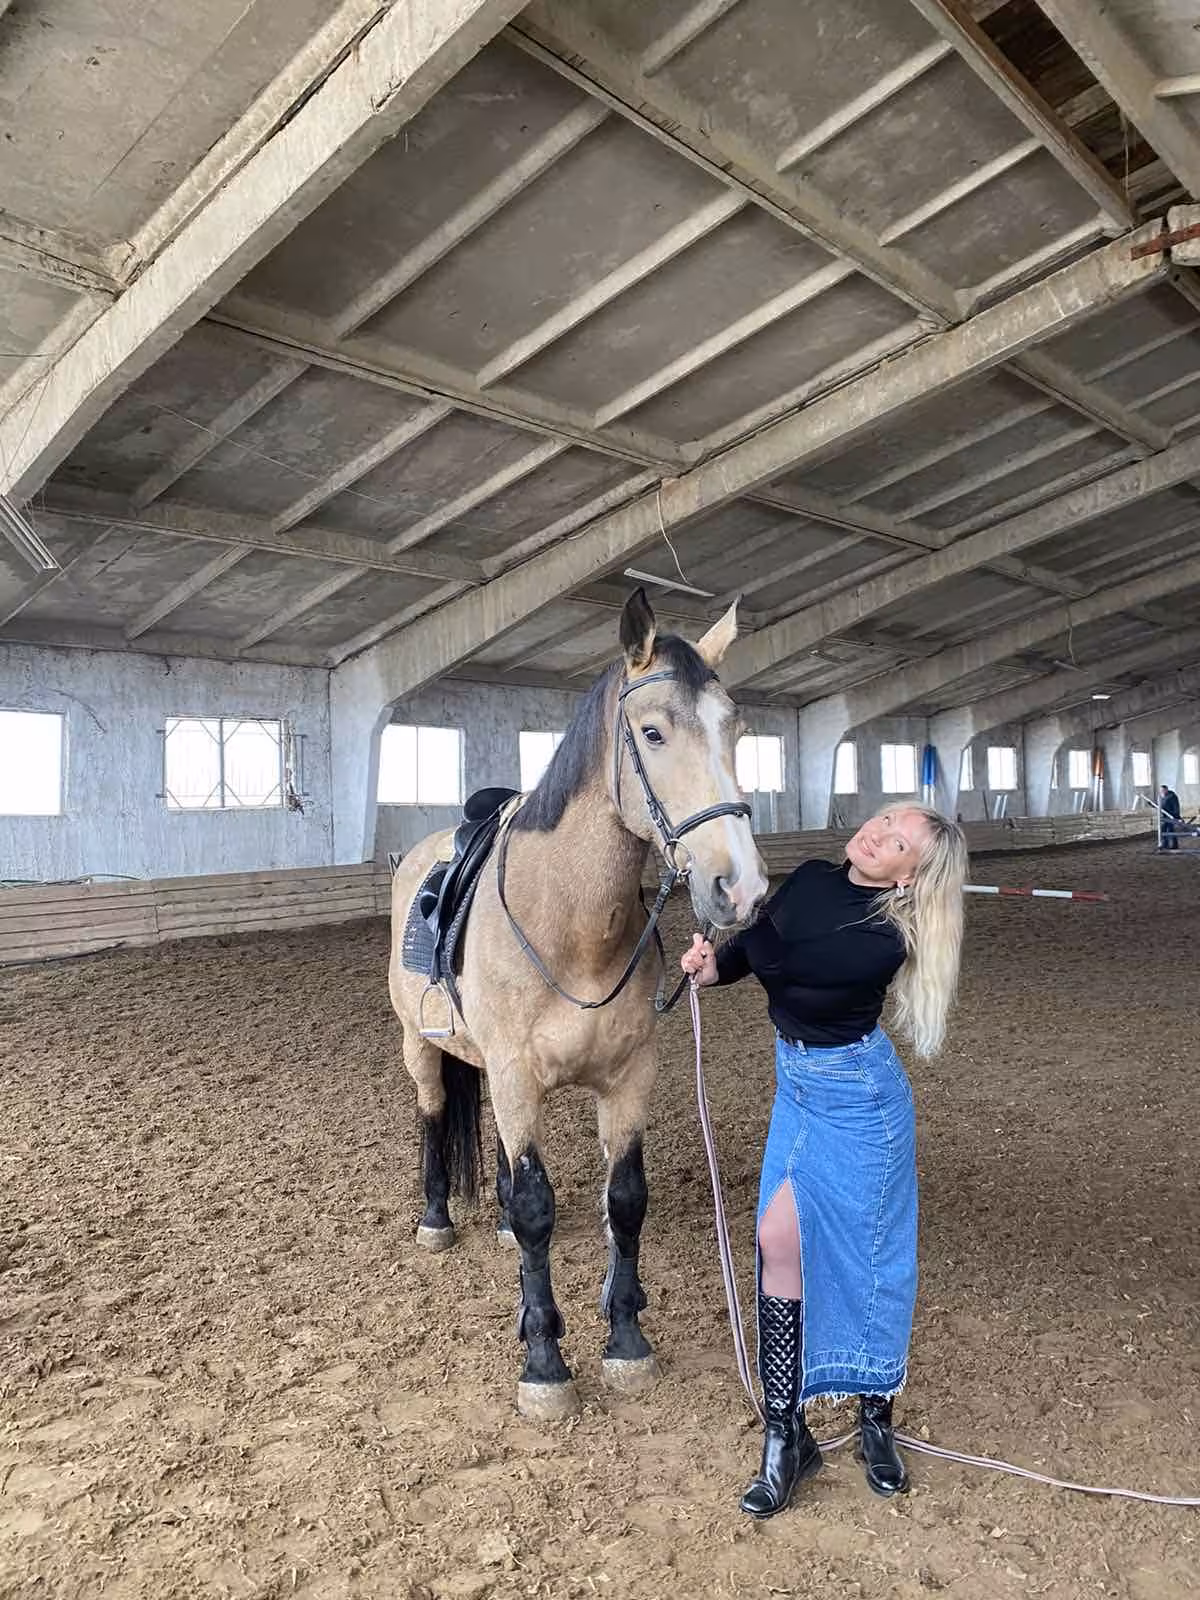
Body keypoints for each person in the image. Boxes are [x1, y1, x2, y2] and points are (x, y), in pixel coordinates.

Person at [681, 805, 968, 1516]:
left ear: (909, 877)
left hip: (859, 1100)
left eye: (898, 843)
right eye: (885, 819)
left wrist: (746, 915)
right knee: (778, 1238)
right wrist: (718, 963)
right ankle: (788, 1437)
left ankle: (876, 1417)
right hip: (797, 1088)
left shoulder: (884, 938)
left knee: (872, 1258)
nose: (877, 834)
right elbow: (758, 947)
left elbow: (787, 959)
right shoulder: (812, 875)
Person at [1159, 784, 1181, 851]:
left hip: (1171, 816)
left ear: (1166, 790)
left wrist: (1175, 816)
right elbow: (1161, 806)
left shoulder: (1172, 796)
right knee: (1163, 830)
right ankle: (1165, 844)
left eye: (1162, 790)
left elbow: (1176, 807)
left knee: (1170, 830)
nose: (1161, 791)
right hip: (1164, 817)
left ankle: (1175, 845)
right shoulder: (1162, 797)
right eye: (1160, 790)